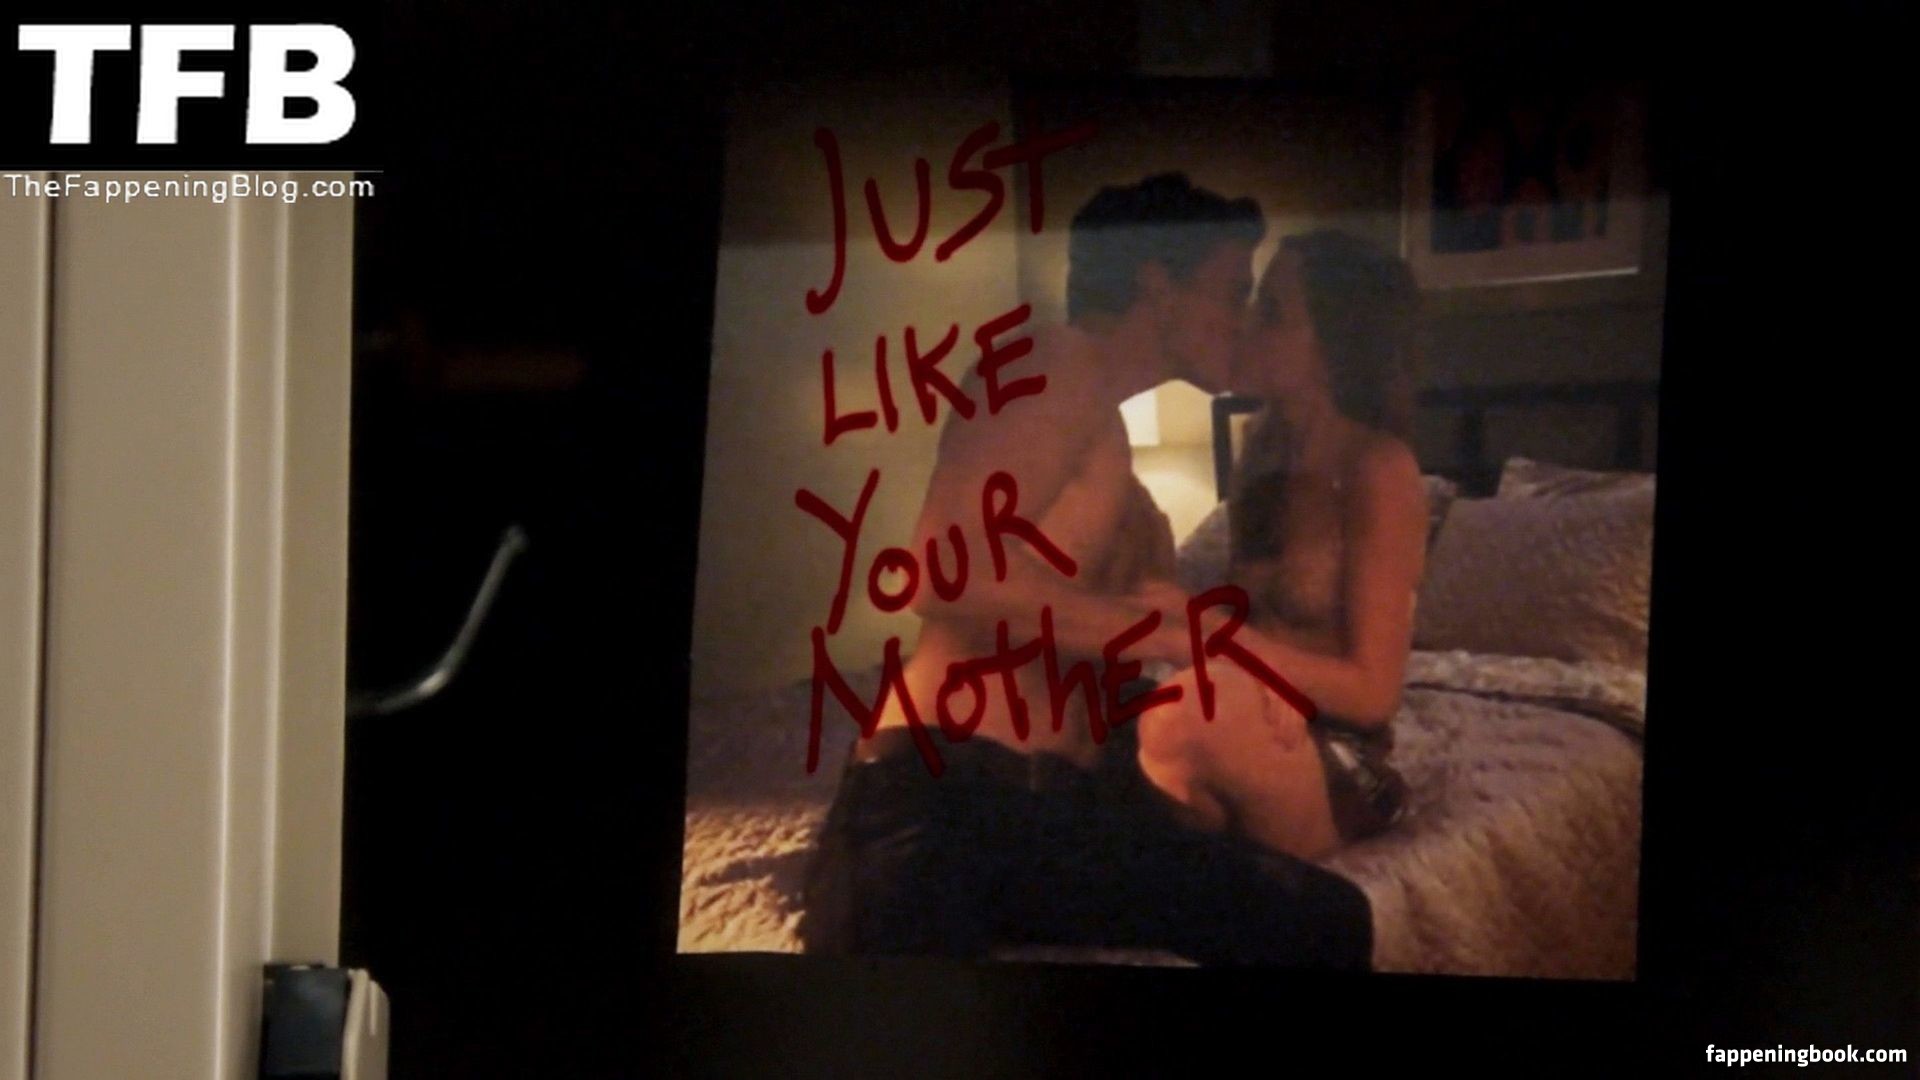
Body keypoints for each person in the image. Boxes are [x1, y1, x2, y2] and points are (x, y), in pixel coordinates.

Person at [796, 175, 1375, 968]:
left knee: (1326, 917)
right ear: (1156, 282)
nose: (1242, 322)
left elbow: (1105, 664)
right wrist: (1173, 633)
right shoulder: (1052, 359)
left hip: (1049, 808)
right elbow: (941, 572)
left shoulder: (1122, 478)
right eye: (1231, 293)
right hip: (939, 795)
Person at [1135, 229, 1426, 862]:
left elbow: (1373, 693)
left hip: (1339, 756)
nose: (1243, 324)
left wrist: (1215, 640)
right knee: (1088, 715)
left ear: (1331, 345)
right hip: (1262, 718)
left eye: (1270, 312)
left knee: (1177, 720)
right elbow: (1255, 618)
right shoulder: (1264, 450)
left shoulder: (1378, 469)